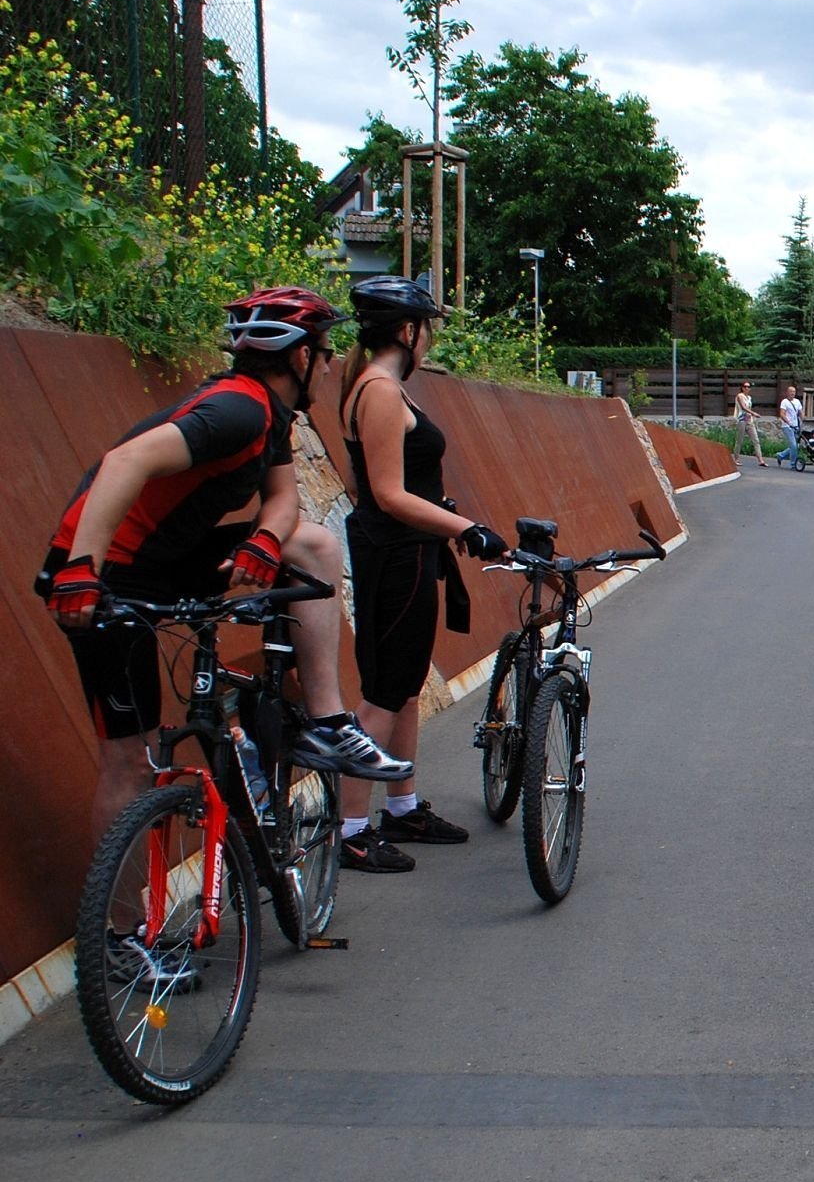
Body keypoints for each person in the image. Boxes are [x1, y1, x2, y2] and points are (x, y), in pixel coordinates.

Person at [39, 285, 412, 841]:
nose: (333, 365)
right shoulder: (236, 409)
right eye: (328, 352)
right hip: (101, 574)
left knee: (311, 544)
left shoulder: (274, 416)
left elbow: (283, 498)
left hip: (166, 561)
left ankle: (327, 722)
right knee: (128, 765)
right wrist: (80, 567)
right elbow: (126, 460)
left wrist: (264, 539)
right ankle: (120, 929)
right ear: (302, 357)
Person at [337, 275, 506, 872]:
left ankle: (402, 806)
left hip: (407, 550)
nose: (429, 339)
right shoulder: (380, 391)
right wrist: (460, 529)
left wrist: (443, 516)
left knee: (403, 686)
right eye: (427, 329)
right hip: (397, 554)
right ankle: (351, 827)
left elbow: (372, 485)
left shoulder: (378, 388)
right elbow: (383, 493)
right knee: (382, 693)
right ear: (408, 332)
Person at [733, 380, 767, 467]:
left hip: (749, 420)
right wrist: (753, 413)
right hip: (741, 420)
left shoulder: (749, 398)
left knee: (756, 440)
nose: (747, 388)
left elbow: (748, 407)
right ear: (742, 388)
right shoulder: (740, 396)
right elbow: (743, 407)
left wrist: (751, 415)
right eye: (745, 386)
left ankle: (760, 460)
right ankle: (736, 458)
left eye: (748, 387)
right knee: (739, 440)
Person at [776, 384, 804, 471]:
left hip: (796, 426)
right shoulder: (784, 402)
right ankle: (793, 464)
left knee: (796, 446)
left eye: (794, 392)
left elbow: (800, 412)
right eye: (791, 391)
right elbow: (782, 414)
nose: (792, 393)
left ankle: (781, 455)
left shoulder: (797, 401)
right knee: (793, 445)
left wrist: (804, 420)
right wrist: (787, 421)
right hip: (787, 426)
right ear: (787, 392)